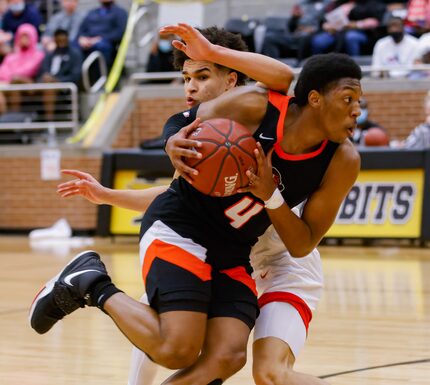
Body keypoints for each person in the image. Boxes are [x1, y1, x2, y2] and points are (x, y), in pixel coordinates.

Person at [30, 23, 361, 385]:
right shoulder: (247, 113)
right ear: (314, 99)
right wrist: (169, 142)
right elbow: (179, 143)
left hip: (246, 250)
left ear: (232, 78)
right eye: (186, 77)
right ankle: (91, 285)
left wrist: (270, 193)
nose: (357, 111)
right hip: (188, 231)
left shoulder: (337, 156)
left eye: (201, 75)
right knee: (177, 344)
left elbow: (301, 243)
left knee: (230, 356)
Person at [37, 28, 83, 120]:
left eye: (63, 40)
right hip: (46, 83)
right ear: (55, 40)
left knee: (49, 87)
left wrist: (57, 80)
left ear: (67, 39)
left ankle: (49, 125)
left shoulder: (75, 54)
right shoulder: (49, 55)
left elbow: (75, 75)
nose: (61, 43)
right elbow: (43, 71)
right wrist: (46, 77)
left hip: (64, 85)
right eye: (59, 41)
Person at [0, 23, 44, 114]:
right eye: (21, 36)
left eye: (26, 36)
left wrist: (10, 78)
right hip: (7, 84)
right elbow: (3, 70)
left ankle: (14, 117)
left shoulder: (38, 55)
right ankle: (5, 121)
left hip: (28, 86)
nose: (23, 39)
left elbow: (28, 71)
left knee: (16, 81)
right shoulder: (11, 56)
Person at [76, 0, 127, 67]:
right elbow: (81, 29)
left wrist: (100, 39)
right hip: (88, 41)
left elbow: (120, 33)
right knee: (73, 46)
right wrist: (82, 38)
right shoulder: (92, 12)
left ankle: (100, 74)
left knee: (101, 46)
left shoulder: (120, 13)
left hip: (106, 43)